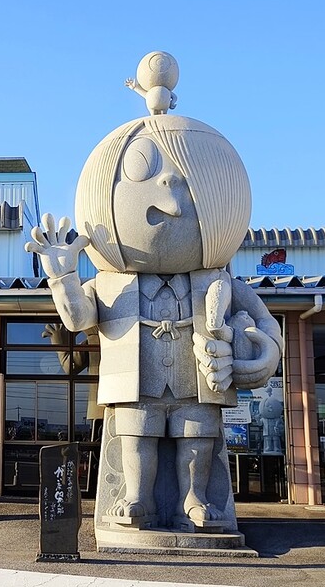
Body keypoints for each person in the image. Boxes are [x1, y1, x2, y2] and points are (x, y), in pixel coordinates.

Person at [26, 55, 281, 530]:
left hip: (194, 382)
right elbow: (78, 319)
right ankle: (138, 497)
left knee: (196, 432)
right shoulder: (113, 280)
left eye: (187, 171)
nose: (168, 181)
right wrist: (62, 276)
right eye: (146, 167)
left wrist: (257, 360)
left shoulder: (219, 281)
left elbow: (267, 329)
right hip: (138, 380)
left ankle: (195, 498)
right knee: (137, 431)